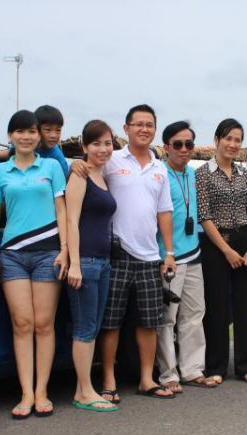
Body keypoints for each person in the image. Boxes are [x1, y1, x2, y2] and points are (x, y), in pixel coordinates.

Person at [71, 104, 177, 402]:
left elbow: (164, 212)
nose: (144, 129)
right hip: (116, 253)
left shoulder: (160, 168)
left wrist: (168, 252)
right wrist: (72, 165)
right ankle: (108, 380)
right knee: (111, 322)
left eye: (149, 124)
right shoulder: (112, 158)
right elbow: (87, 169)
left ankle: (146, 379)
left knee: (149, 321)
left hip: (150, 256)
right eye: (138, 124)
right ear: (127, 128)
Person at [0, 110, 68, 419]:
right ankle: (26, 393)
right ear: (11, 136)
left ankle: (43, 391)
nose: (27, 136)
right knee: (22, 324)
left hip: (48, 253)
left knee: (44, 324)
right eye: (20, 131)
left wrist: (66, 250)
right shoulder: (0, 172)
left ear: (38, 135)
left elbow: (63, 211)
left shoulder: (51, 167)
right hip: (13, 255)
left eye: (32, 131)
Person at [196, 118, 247, 385]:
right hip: (216, 245)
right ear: (217, 140)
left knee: (246, 308)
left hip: (246, 241)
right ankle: (216, 367)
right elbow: (204, 215)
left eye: (238, 139)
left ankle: (246, 366)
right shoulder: (202, 173)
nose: (233, 144)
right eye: (228, 138)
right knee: (217, 307)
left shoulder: (245, 174)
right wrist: (226, 250)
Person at [155, 121, 216, 393]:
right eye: (177, 144)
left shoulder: (193, 175)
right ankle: (168, 374)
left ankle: (192, 370)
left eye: (189, 144)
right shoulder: (158, 174)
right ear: (166, 146)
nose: (183, 149)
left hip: (194, 255)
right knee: (167, 318)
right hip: (167, 257)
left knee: (194, 315)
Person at [65, 120, 119, 412]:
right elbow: (71, 221)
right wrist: (74, 263)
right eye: (96, 143)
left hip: (103, 262)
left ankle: (83, 387)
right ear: (84, 147)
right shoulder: (80, 174)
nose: (102, 149)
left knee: (93, 327)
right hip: (84, 262)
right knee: (85, 328)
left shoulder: (102, 175)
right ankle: (85, 391)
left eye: (107, 143)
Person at [0, 105, 70, 176]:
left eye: (58, 130)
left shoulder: (56, 157)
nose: (53, 135)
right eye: (48, 130)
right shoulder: (27, 148)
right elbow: (12, 151)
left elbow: (66, 183)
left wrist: (74, 166)